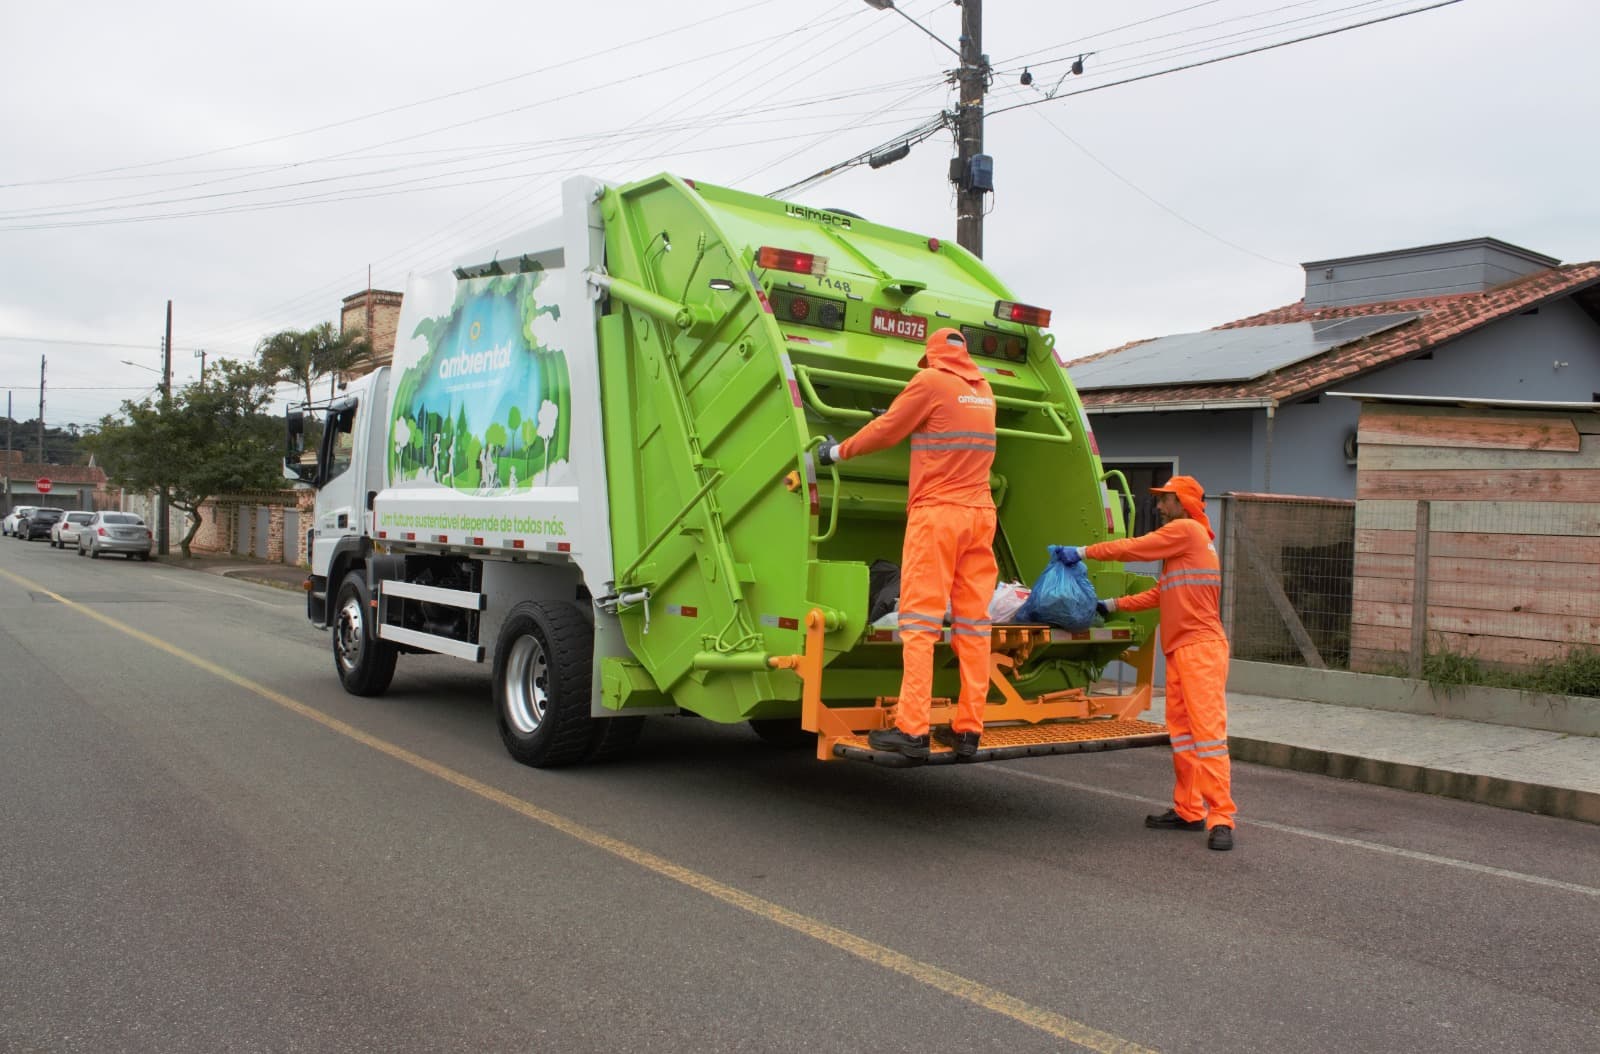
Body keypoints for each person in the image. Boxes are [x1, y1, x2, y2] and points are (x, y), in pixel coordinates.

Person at [818, 327, 998, 761]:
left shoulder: (929, 381)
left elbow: (886, 430)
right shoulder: (985, 390)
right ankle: (969, 730)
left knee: (919, 624)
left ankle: (912, 729)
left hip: (938, 516)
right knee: (974, 627)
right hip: (980, 515)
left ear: (932, 356)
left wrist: (836, 452)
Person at [1064, 475, 1236, 850]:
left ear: (1183, 502)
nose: (1158, 507)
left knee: (1207, 737)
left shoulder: (1187, 530)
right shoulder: (1191, 544)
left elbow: (1135, 549)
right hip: (1184, 650)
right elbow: (1162, 593)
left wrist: (1083, 552)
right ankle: (1189, 810)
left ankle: (1221, 818)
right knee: (1185, 735)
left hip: (1200, 651)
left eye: (1164, 500)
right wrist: (1112, 606)